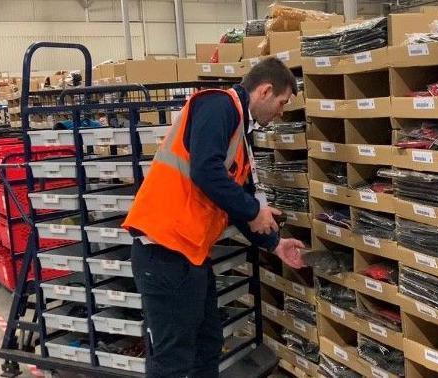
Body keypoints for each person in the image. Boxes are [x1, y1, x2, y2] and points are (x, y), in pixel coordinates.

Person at [122, 57, 306, 378]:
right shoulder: (218, 106)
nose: (282, 112)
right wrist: (253, 210)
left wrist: (275, 242)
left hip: (188, 252)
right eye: (282, 102)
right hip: (163, 249)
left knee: (207, 343)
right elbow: (205, 171)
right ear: (264, 91)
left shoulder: (238, 134)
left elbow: (239, 201)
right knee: (172, 360)